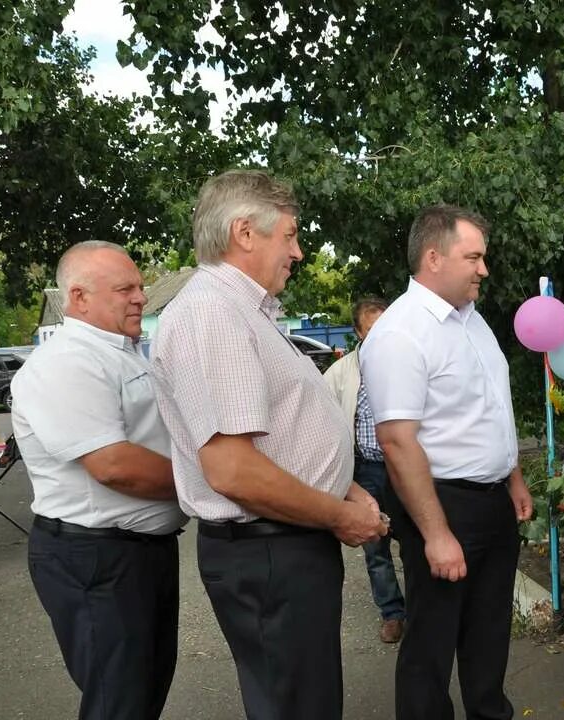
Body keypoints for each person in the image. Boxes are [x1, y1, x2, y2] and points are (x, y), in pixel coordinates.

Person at [150, 169, 385, 720]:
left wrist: (342, 486)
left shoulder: (239, 312)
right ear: (244, 233)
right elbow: (233, 471)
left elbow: (280, 436)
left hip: (281, 543)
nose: (299, 252)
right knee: (297, 706)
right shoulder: (213, 314)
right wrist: (339, 515)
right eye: (291, 235)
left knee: (305, 700)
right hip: (270, 548)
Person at [360, 204, 533, 720]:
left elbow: (489, 408)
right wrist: (436, 533)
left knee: (489, 633)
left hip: (492, 502)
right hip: (441, 503)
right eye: (473, 257)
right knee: (431, 645)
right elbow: (397, 441)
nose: (484, 269)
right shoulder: (400, 332)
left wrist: (514, 476)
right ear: (433, 258)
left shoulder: (473, 322)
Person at [11, 241, 187, 720]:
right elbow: (113, 465)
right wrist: (210, 481)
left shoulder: (120, 353)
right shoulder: (68, 362)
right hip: (97, 557)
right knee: (117, 701)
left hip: (135, 552)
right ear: (78, 297)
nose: (140, 298)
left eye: (140, 287)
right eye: (124, 289)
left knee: (142, 690)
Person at [323, 296, 407, 643]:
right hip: (366, 470)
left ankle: (426, 610)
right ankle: (393, 613)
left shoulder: (408, 365)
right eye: (371, 331)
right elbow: (323, 419)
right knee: (375, 546)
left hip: (404, 467)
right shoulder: (341, 373)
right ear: (357, 332)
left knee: (415, 537)